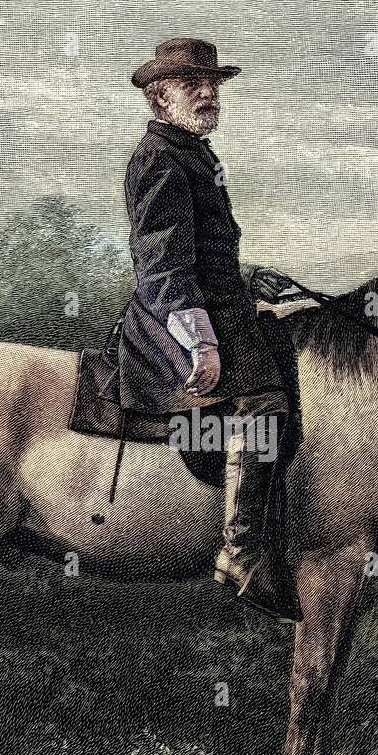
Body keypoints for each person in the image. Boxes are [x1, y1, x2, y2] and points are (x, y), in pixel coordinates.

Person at [111, 37, 302, 622]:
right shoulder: (158, 159)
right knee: (262, 397)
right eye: (194, 84)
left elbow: (201, 251)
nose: (208, 93)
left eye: (213, 83)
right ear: (159, 96)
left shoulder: (194, 153)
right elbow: (163, 264)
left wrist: (246, 280)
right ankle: (240, 552)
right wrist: (201, 341)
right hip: (170, 317)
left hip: (212, 304)